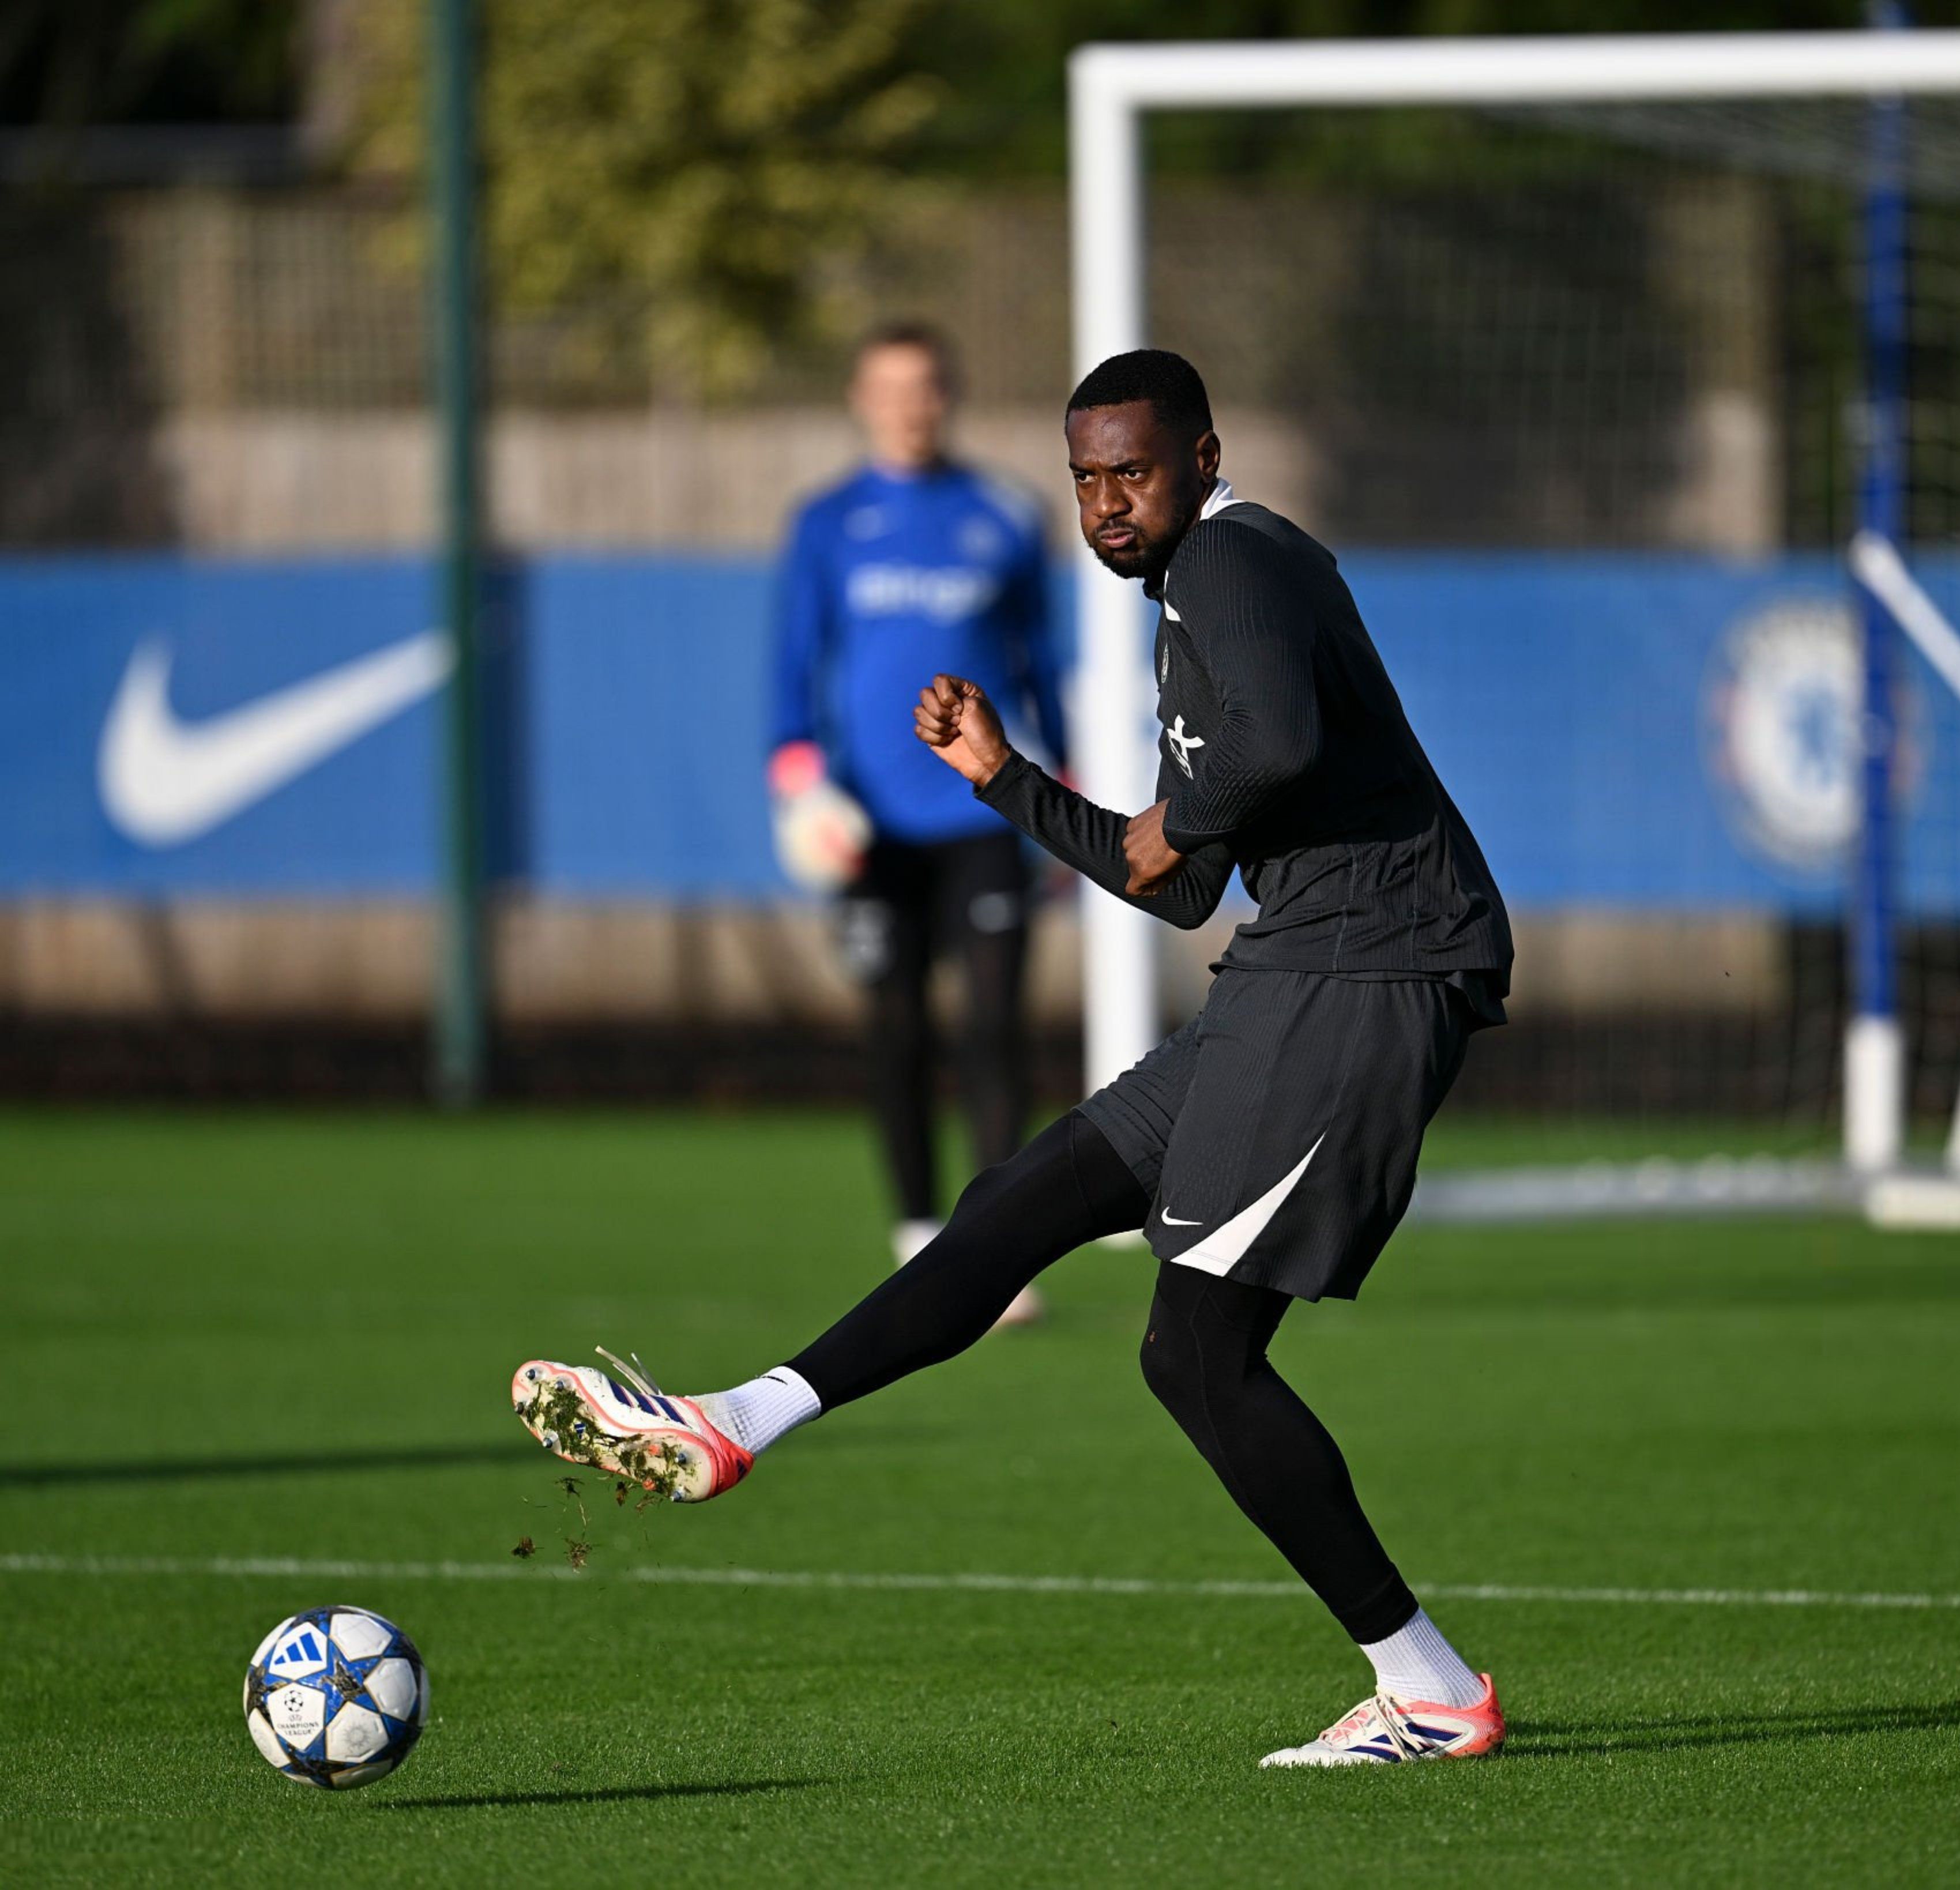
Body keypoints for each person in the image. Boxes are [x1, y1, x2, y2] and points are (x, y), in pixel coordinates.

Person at [516, 349, 1517, 1768]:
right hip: (1297, 965)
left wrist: (1191, 808)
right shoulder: (1195, 593)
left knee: (1196, 1357)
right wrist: (1003, 780)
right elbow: (1169, 881)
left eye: (1135, 473)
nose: (1109, 505)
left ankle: (1429, 1690)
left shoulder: (1233, 562)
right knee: (1026, 1195)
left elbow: (1273, 751)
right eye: (1087, 480)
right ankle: (737, 1421)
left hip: (1370, 970)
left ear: (1203, 457)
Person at [766, 321, 1066, 1319]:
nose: (910, 405)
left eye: (927, 385)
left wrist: (1062, 794)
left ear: (952, 394)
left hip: (986, 816)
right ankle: (915, 1232)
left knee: (993, 1028)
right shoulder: (827, 522)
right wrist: (800, 777)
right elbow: (791, 664)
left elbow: (1043, 665)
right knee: (894, 1027)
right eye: (890, 387)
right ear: (860, 398)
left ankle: (999, 1245)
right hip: (872, 829)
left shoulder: (1004, 515)